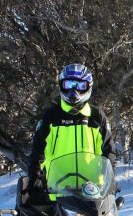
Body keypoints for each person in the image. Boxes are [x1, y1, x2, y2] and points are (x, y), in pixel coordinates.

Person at [26, 63, 116, 204]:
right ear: (61, 86)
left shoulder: (97, 117)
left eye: (80, 86)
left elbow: (109, 151)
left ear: (88, 87)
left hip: (93, 194)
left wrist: (110, 181)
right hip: (58, 192)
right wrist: (35, 179)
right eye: (69, 85)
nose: (74, 92)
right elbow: (37, 152)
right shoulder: (51, 116)